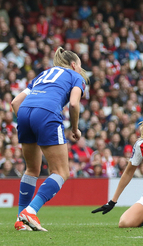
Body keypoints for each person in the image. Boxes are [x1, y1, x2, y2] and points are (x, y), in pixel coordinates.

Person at [11, 47, 88, 231]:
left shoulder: (43, 74)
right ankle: (31, 211)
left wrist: (28, 123)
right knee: (61, 171)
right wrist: (75, 128)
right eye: (79, 66)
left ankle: (21, 221)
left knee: (31, 169)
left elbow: (15, 102)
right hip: (46, 113)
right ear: (73, 64)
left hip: (24, 112)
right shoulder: (75, 76)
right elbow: (75, 104)